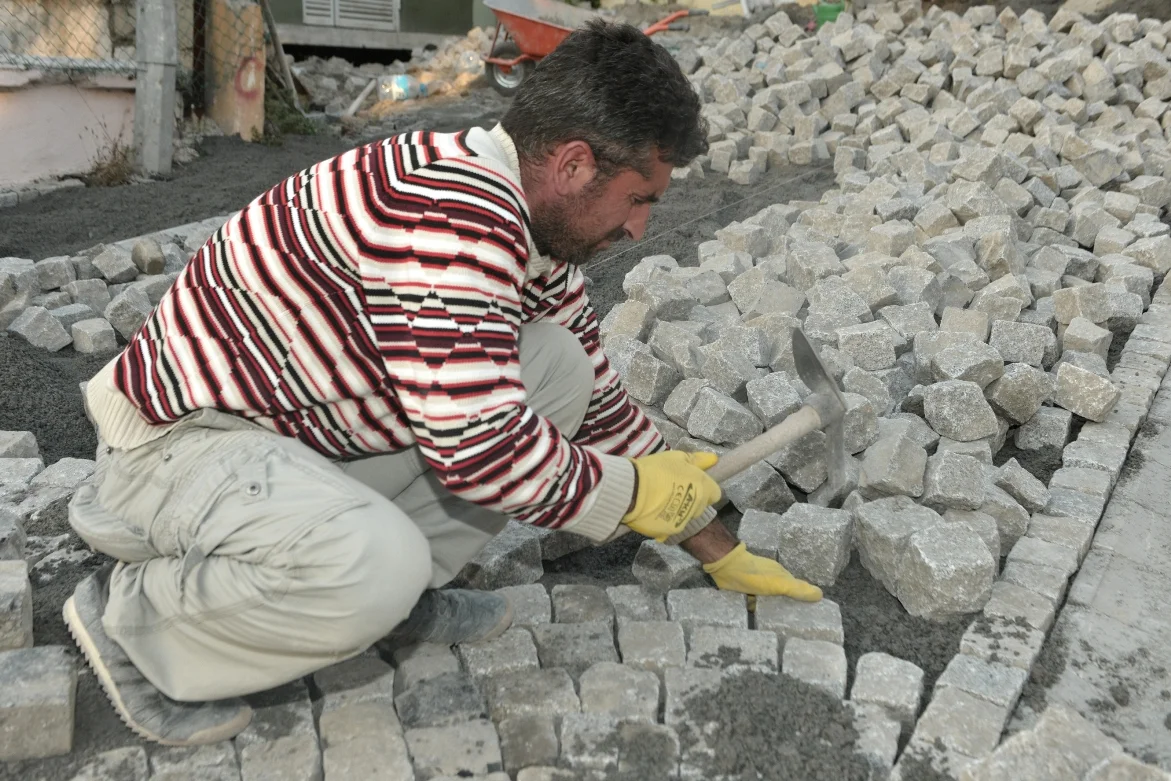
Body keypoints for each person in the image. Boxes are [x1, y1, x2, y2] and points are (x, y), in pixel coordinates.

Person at [64, 19, 822, 747]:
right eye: (640, 198)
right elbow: (482, 449)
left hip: (291, 433)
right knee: (375, 562)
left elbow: (591, 394)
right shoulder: (449, 216)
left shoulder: (522, 212)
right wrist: (633, 494)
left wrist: (712, 542)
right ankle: (134, 623)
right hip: (181, 445)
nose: (638, 230)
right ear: (573, 164)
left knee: (553, 367)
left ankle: (386, 607)